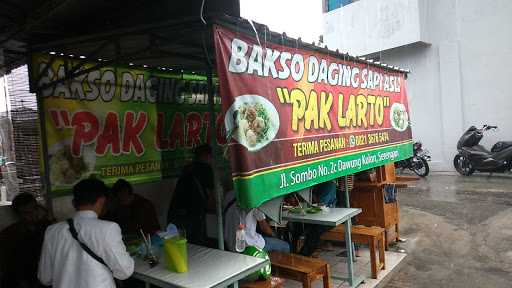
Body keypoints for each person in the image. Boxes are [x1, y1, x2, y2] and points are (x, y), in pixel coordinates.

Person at [38, 178, 134, 288]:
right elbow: (125, 271)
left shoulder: (52, 231)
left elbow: (45, 278)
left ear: (74, 203)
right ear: (102, 200)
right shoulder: (108, 229)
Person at [222, 173, 289, 253]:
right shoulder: (253, 200)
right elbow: (264, 228)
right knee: (285, 246)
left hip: (230, 244)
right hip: (248, 245)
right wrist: (275, 235)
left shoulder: (229, 196)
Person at [0, 193, 53, 288]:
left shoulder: (49, 228)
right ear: (18, 214)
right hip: (20, 280)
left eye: (33, 210)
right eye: (26, 213)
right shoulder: (9, 234)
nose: (32, 215)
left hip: (44, 279)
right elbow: (9, 265)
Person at [167, 144, 214, 245]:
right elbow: (210, 194)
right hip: (194, 213)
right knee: (198, 244)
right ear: (207, 155)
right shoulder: (206, 169)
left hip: (177, 212)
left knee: (184, 243)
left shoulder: (187, 168)